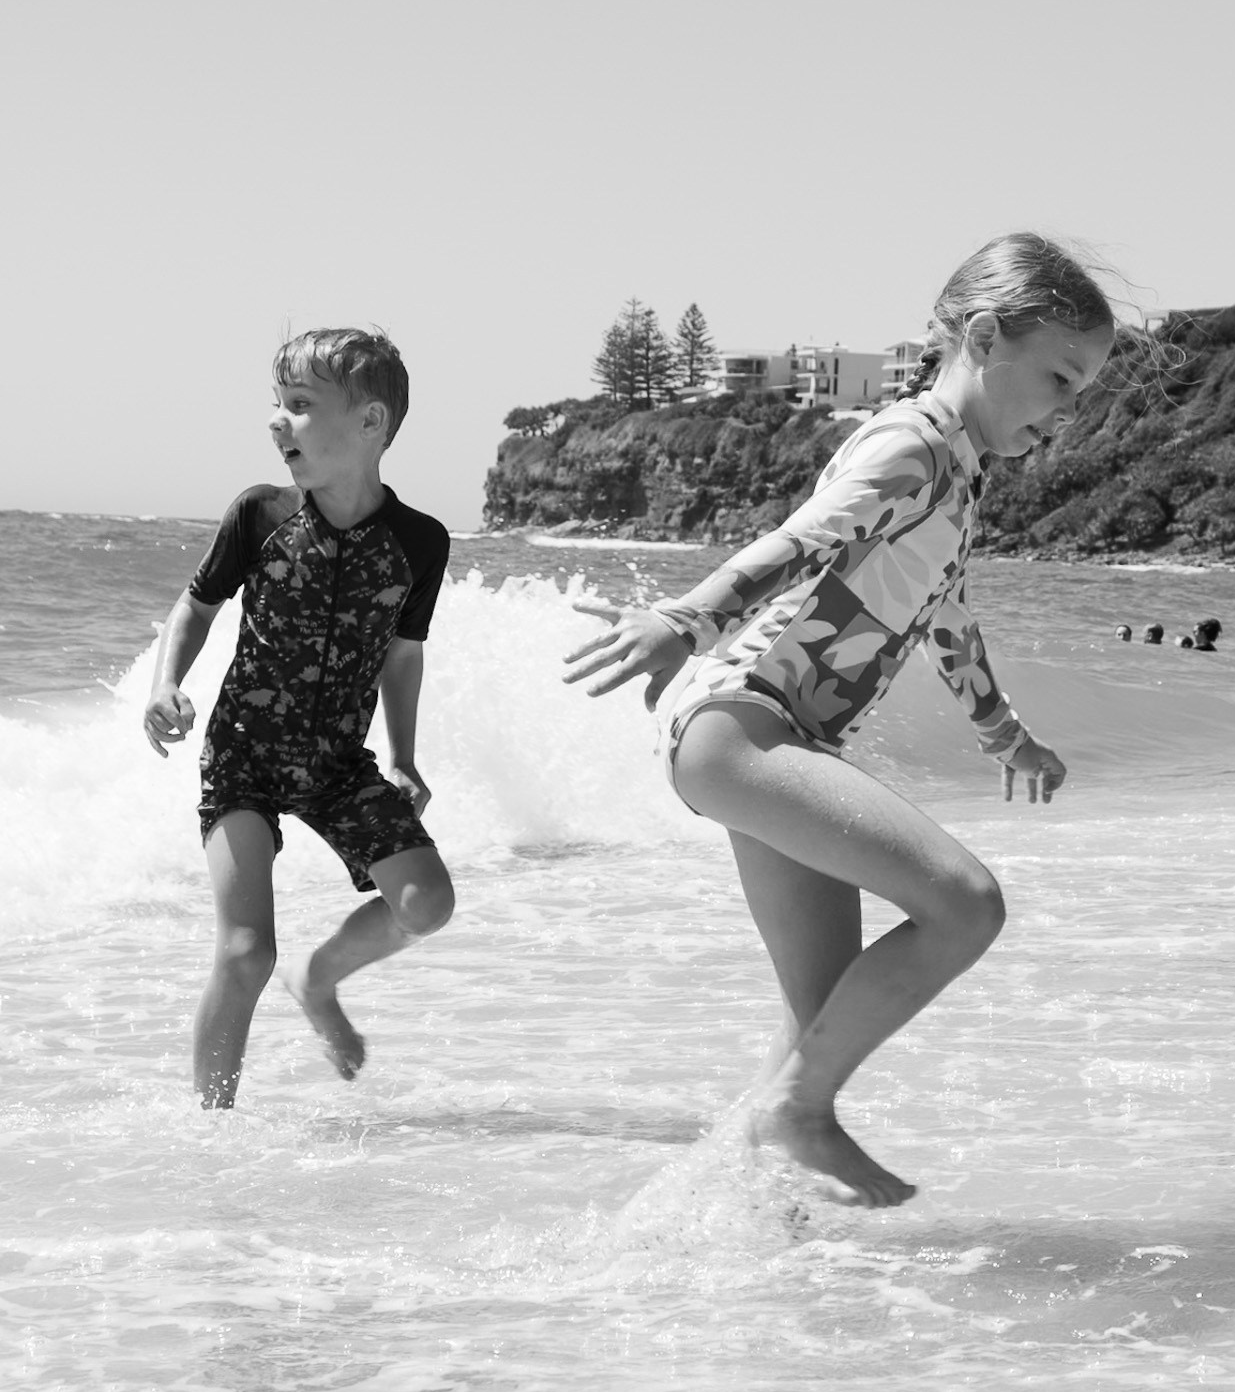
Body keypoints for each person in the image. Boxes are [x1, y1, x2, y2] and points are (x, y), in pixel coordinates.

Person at [564, 234, 1116, 1208]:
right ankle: (800, 1119)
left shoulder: (957, 470)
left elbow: (944, 614)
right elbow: (801, 539)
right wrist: (684, 621)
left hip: (772, 735)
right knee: (965, 904)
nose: (1065, 410)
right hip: (742, 725)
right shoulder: (912, 446)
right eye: (1059, 378)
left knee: (813, 1021)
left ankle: (724, 1227)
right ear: (985, 337)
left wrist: (1002, 733)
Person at [143, 329, 456, 1109]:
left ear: (370, 421)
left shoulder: (419, 542)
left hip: (338, 765)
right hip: (242, 758)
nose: (277, 420)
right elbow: (197, 605)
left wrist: (403, 755)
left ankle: (318, 980)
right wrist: (164, 683)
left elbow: (403, 654)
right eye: (278, 402)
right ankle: (210, 1132)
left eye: (301, 405)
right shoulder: (261, 513)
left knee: (427, 903)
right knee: (246, 952)